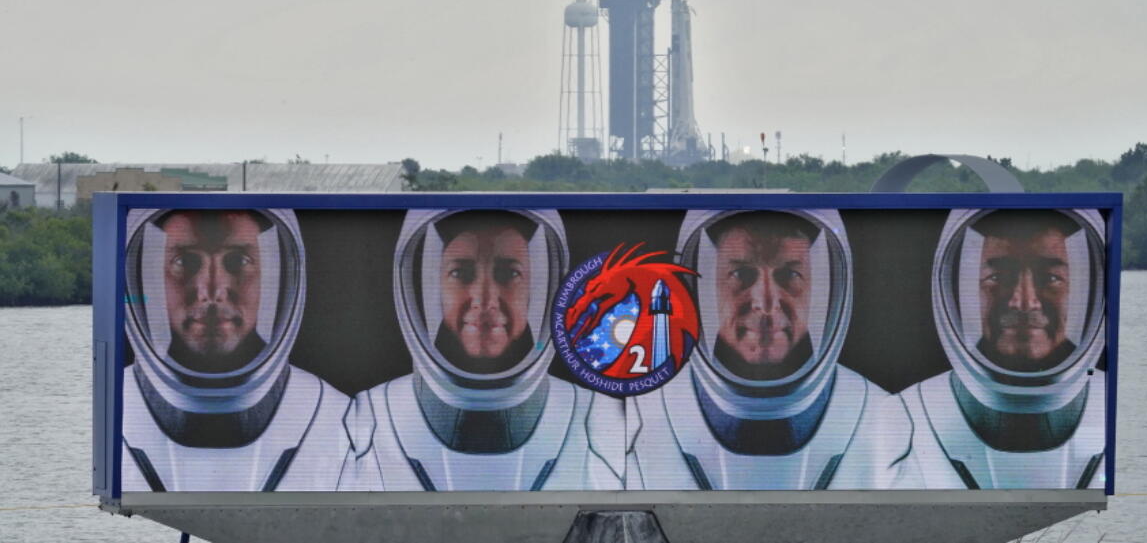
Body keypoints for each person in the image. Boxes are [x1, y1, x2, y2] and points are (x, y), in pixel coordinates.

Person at [626, 210, 914, 490]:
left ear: (823, 285)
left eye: (790, 274)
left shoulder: (883, 418)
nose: (765, 302)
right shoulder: (636, 419)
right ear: (699, 285)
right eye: (741, 273)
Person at [341, 209, 623, 491]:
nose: (484, 298)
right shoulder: (365, 418)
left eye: (509, 273)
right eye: (460, 273)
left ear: (537, 289)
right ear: (430, 286)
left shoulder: (600, 420)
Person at [121, 209, 353, 492]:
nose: (212, 290)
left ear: (277, 274)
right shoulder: (113, 405)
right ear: (146, 273)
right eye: (185, 261)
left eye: (239, 261)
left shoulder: (339, 417)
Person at [900, 209, 1108, 489]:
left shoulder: (1115, 405)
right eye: (997, 278)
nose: (1023, 302)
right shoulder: (903, 415)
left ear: (1090, 291)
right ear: (954, 288)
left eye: (1051, 278)